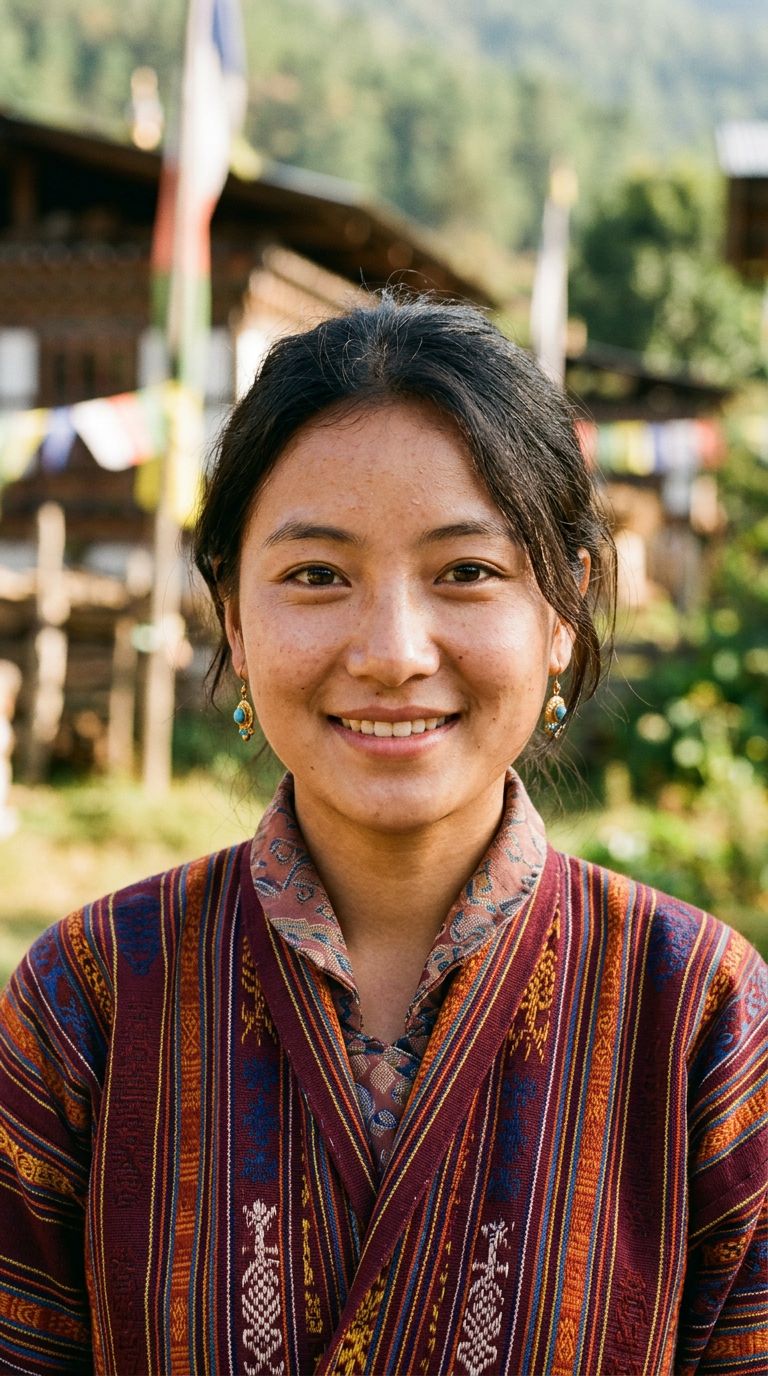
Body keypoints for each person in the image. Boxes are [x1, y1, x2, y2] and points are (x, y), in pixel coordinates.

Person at [0, 293, 765, 1376]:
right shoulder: (87, 998)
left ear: (563, 609)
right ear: (231, 612)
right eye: (317, 575)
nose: (394, 650)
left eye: (467, 571)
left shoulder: (699, 1016)